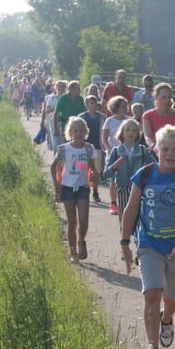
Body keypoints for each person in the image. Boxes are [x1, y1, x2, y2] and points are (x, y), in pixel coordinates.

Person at [120, 125, 175, 349]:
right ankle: (152, 348)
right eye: (165, 149)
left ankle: (167, 318)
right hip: (149, 244)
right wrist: (125, 242)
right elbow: (131, 209)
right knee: (152, 293)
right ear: (156, 149)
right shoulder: (144, 174)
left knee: (172, 298)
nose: (170, 154)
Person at [50, 116, 98, 262]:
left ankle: (81, 240)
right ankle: (72, 253)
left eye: (81, 130)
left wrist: (94, 174)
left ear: (85, 132)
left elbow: (91, 166)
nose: (78, 133)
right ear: (70, 132)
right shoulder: (64, 149)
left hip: (83, 187)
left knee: (83, 221)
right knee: (72, 222)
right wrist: (56, 184)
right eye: (75, 130)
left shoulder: (89, 148)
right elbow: (53, 166)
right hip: (67, 187)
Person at [103, 119, 156, 230]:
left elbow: (155, 165)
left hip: (139, 188)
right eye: (127, 130)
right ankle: (125, 243)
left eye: (134, 130)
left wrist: (147, 171)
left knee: (139, 219)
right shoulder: (116, 151)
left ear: (138, 134)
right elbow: (106, 174)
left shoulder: (142, 150)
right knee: (124, 219)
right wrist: (115, 166)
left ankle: (139, 243)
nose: (131, 133)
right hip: (123, 188)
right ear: (122, 133)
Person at [102, 96, 133, 215]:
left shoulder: (130, 120)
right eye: (122, 107)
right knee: (114, 179)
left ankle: (127, 201)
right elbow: (104, 138)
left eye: (126, 107)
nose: (125, 109)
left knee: (129, 178)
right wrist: (109, 149)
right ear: (115, 107)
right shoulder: (109, 121)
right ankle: (114, 203)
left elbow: (136, 135)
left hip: (128, 153)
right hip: (114, 153)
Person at [142, 83, 175, 149]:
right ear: (156, 97)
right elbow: (147, 137)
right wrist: (154, 146)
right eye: (163, 97)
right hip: (156, 153)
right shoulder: (148, 116)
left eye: (169, 97)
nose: (167, 100)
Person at [80, 95, 107, 203]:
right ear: (86, 105)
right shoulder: (82, 117)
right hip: (84, 148)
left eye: (95, 103)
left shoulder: (102, 117)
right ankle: (83, 190)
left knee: (96, 171)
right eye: (91, 103)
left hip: (97, 147)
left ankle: (95, 191)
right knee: (83, 170)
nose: (93, 105)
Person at [53, 81, 86, 151]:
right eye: (77, 88)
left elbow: (84, 112)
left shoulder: (80, 99)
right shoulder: (63, 98)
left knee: (77, 144)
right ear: (71, 89)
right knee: (68, 144)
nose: (80, 90)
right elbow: (56, 113)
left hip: (78, 126)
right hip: (65, 125)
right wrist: (55, 128)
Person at [42, 80, 66, 151]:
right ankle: (57, 160)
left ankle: (64, 161)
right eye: (59, 86)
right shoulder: (52, 98)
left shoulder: (67, 98)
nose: (61, 88)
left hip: (65, 122)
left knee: (64, 143)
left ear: (65, 88)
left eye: (63, 87)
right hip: (53, 123)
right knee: (56, 144)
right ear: (55, 88)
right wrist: (57, 107)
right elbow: (46, 110)